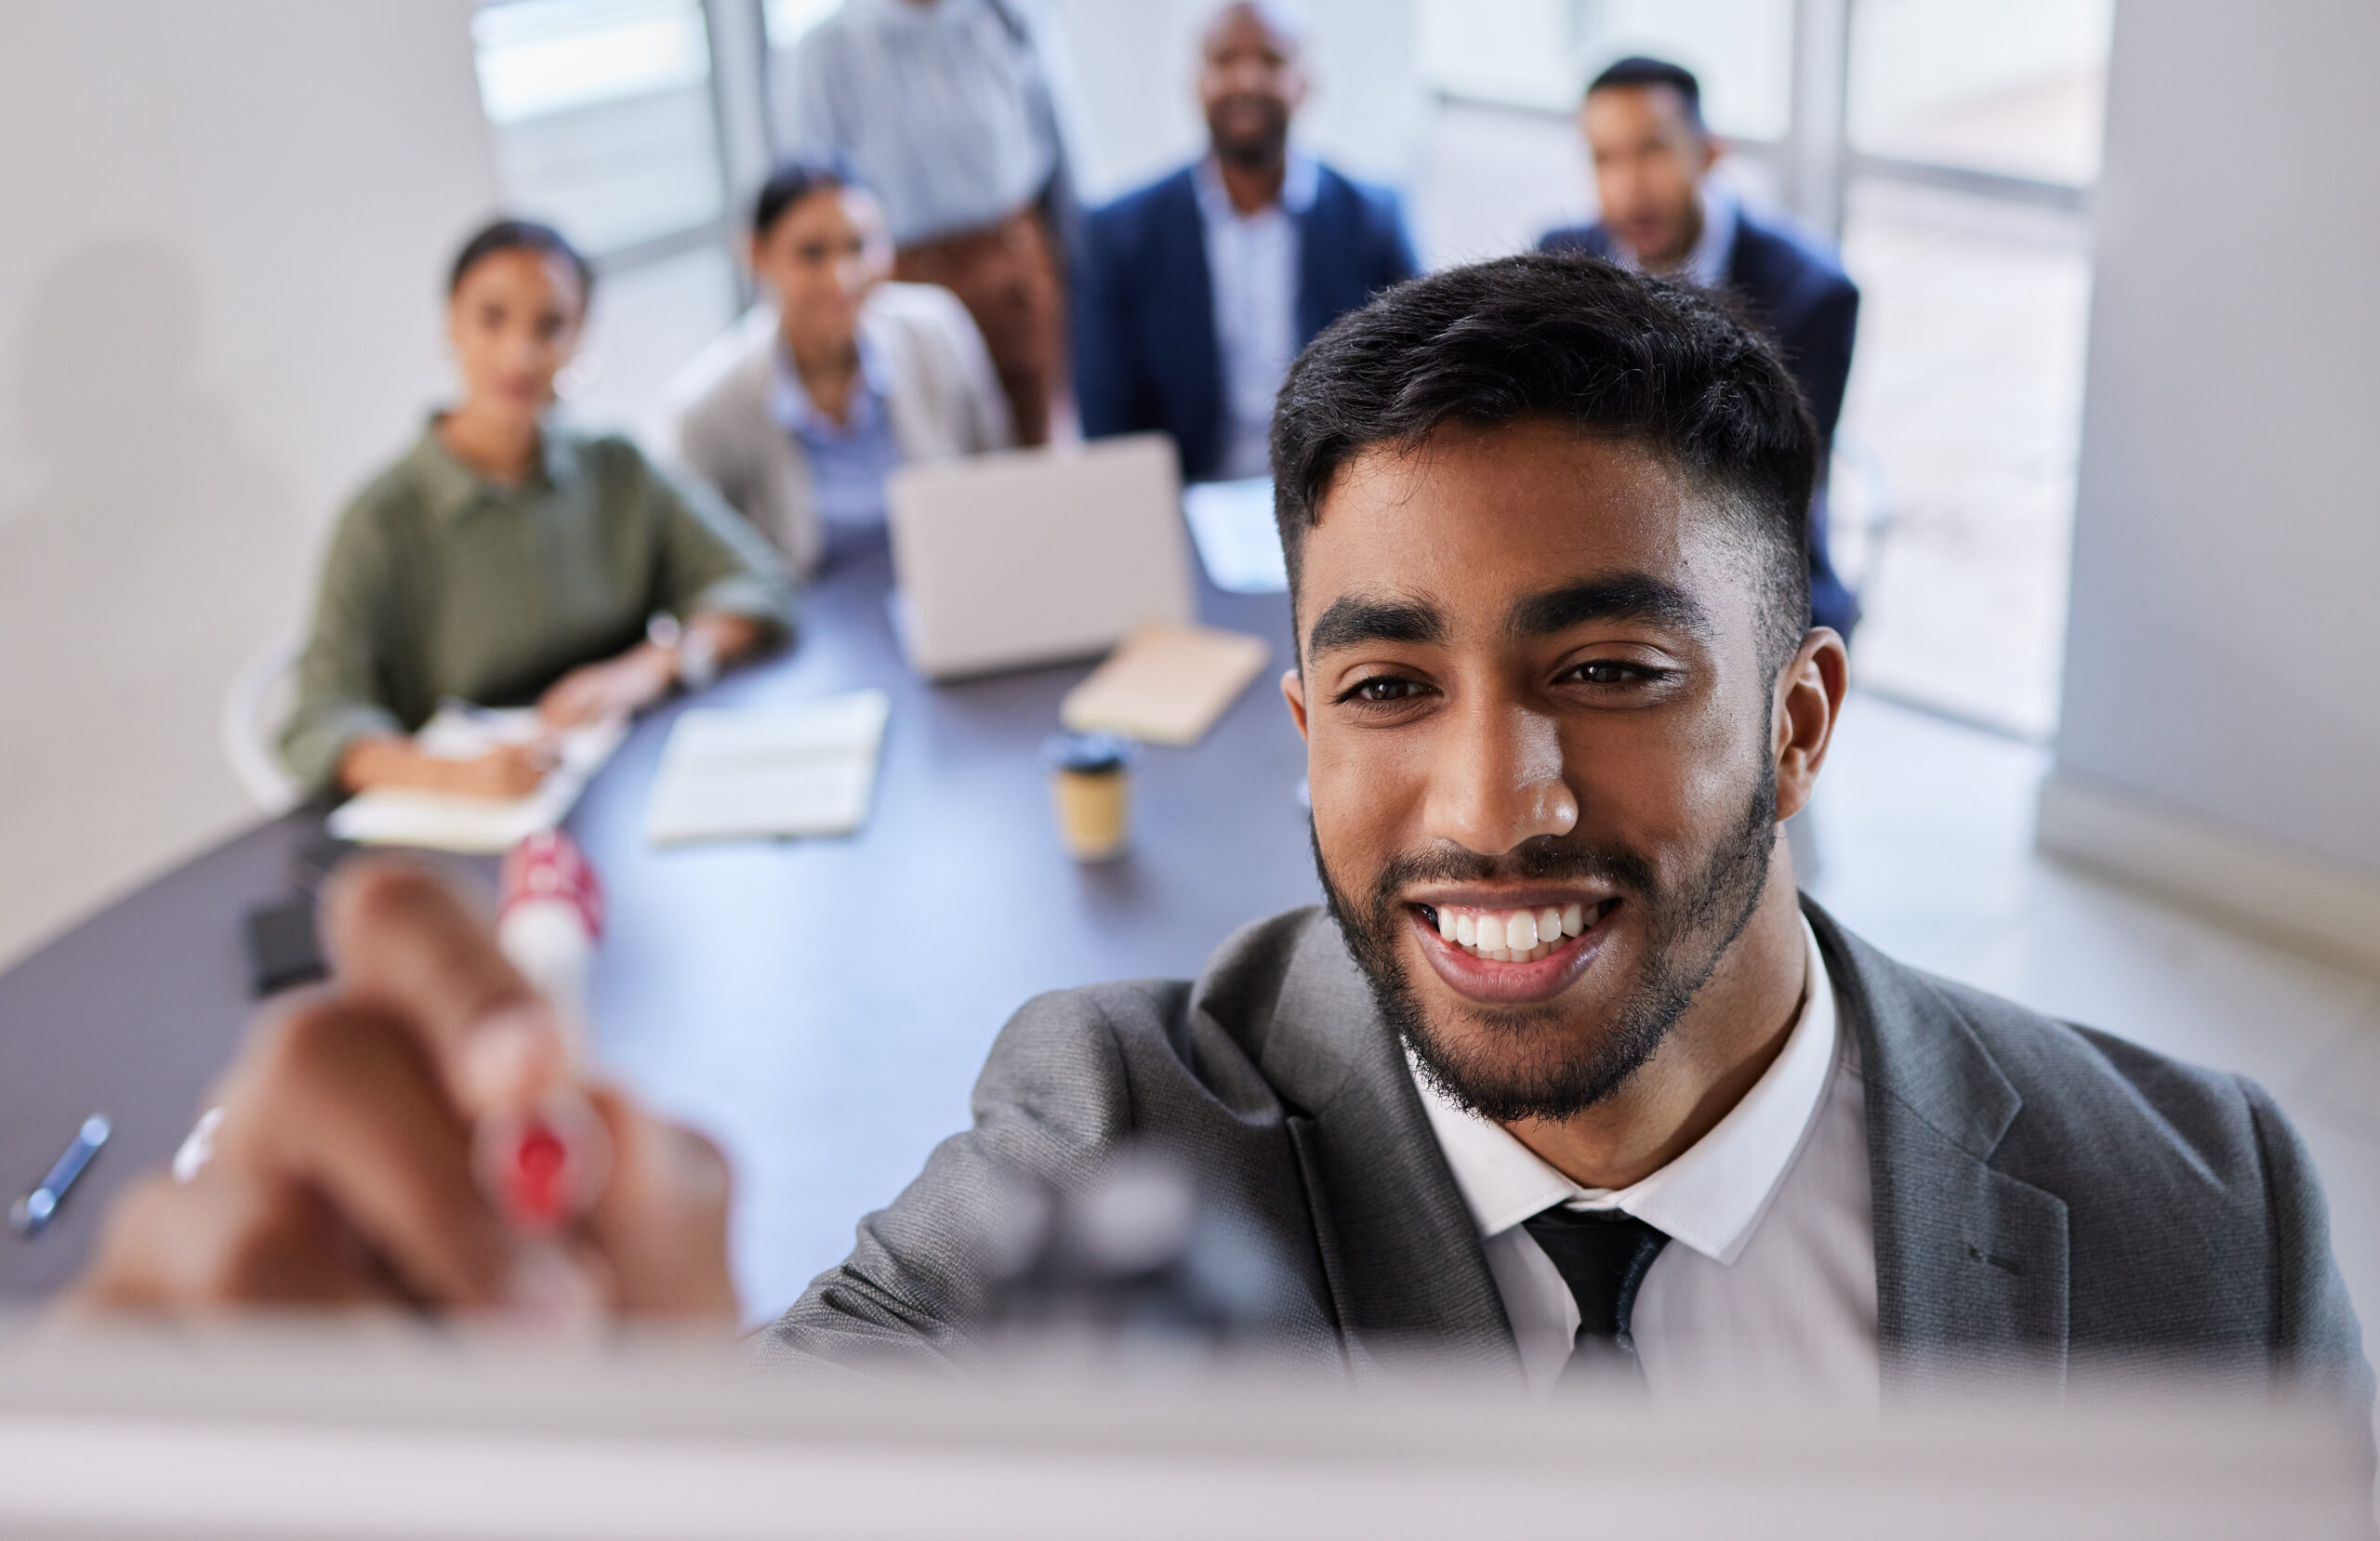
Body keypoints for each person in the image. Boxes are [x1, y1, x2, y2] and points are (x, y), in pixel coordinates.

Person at [89, 255, 2367, 1419]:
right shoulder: (1108, 1128)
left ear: (1799, 714)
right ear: (1293, 723)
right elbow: (799, 1445)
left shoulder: (2209, 1214)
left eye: (1607, 666)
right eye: (1386, 686)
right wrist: (586, 1442)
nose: (1489, 805)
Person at [275, 219, 795, 801]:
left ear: (580, 337)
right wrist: (452, 775)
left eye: (551, 325)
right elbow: (317, 721)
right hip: (472, 819)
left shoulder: (617, 469)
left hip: (623, 788)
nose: (521, 354)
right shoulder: (382, 520)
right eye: (492, 318)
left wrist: (648, 668)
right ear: (451, 322)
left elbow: (757, 580)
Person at [780, 0, 1073, 447]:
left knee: (1035, 482)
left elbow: (1063, 172)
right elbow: (814, 208)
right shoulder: (828, 48)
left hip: (1015, 286)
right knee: (936, 489)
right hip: (900, 295)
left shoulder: (1012, 21)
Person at [1542, 57, 1863, 635]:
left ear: (1711, 153)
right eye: (1604, 159)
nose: (1629, 186)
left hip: (1755, 563)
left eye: (1653, 151)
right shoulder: (1561, 254)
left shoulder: (1811, 292)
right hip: (1589, 545)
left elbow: (1770, 487)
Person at [1074, 0, 1421, 482]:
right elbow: (1106, 421)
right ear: (1196, 84)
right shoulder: (1119, 234)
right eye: (1224, 60)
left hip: (1337, 496)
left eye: (1271, 60)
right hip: (1185, 499)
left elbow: (1412, 384)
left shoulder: (1372, 219)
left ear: (1304, 84)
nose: (1246, 79)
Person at [669, 159, 1012, 580]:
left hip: (952, 584)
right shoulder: (708, 407)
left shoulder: (935, 332)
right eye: (812, 253)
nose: (842, 277)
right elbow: (713, 573)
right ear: (757, 254)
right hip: (807, 620)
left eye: (859, 246)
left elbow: (1001, 482)